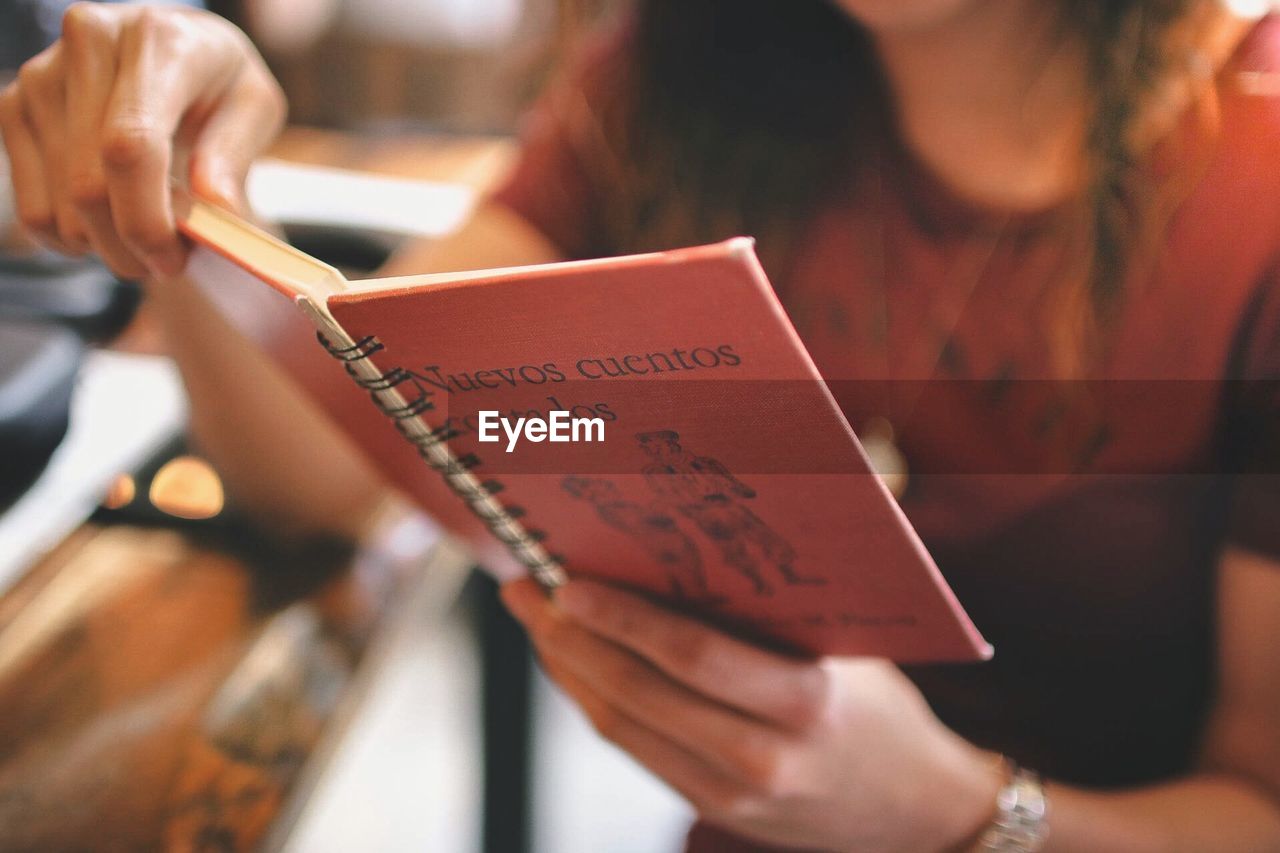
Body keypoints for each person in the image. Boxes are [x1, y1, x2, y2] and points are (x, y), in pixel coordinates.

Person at [2, 0, 1279, 850]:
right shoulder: (679, 74)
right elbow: (336, 470)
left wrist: (951, 813)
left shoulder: (1252, 167)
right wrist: (188, 203)